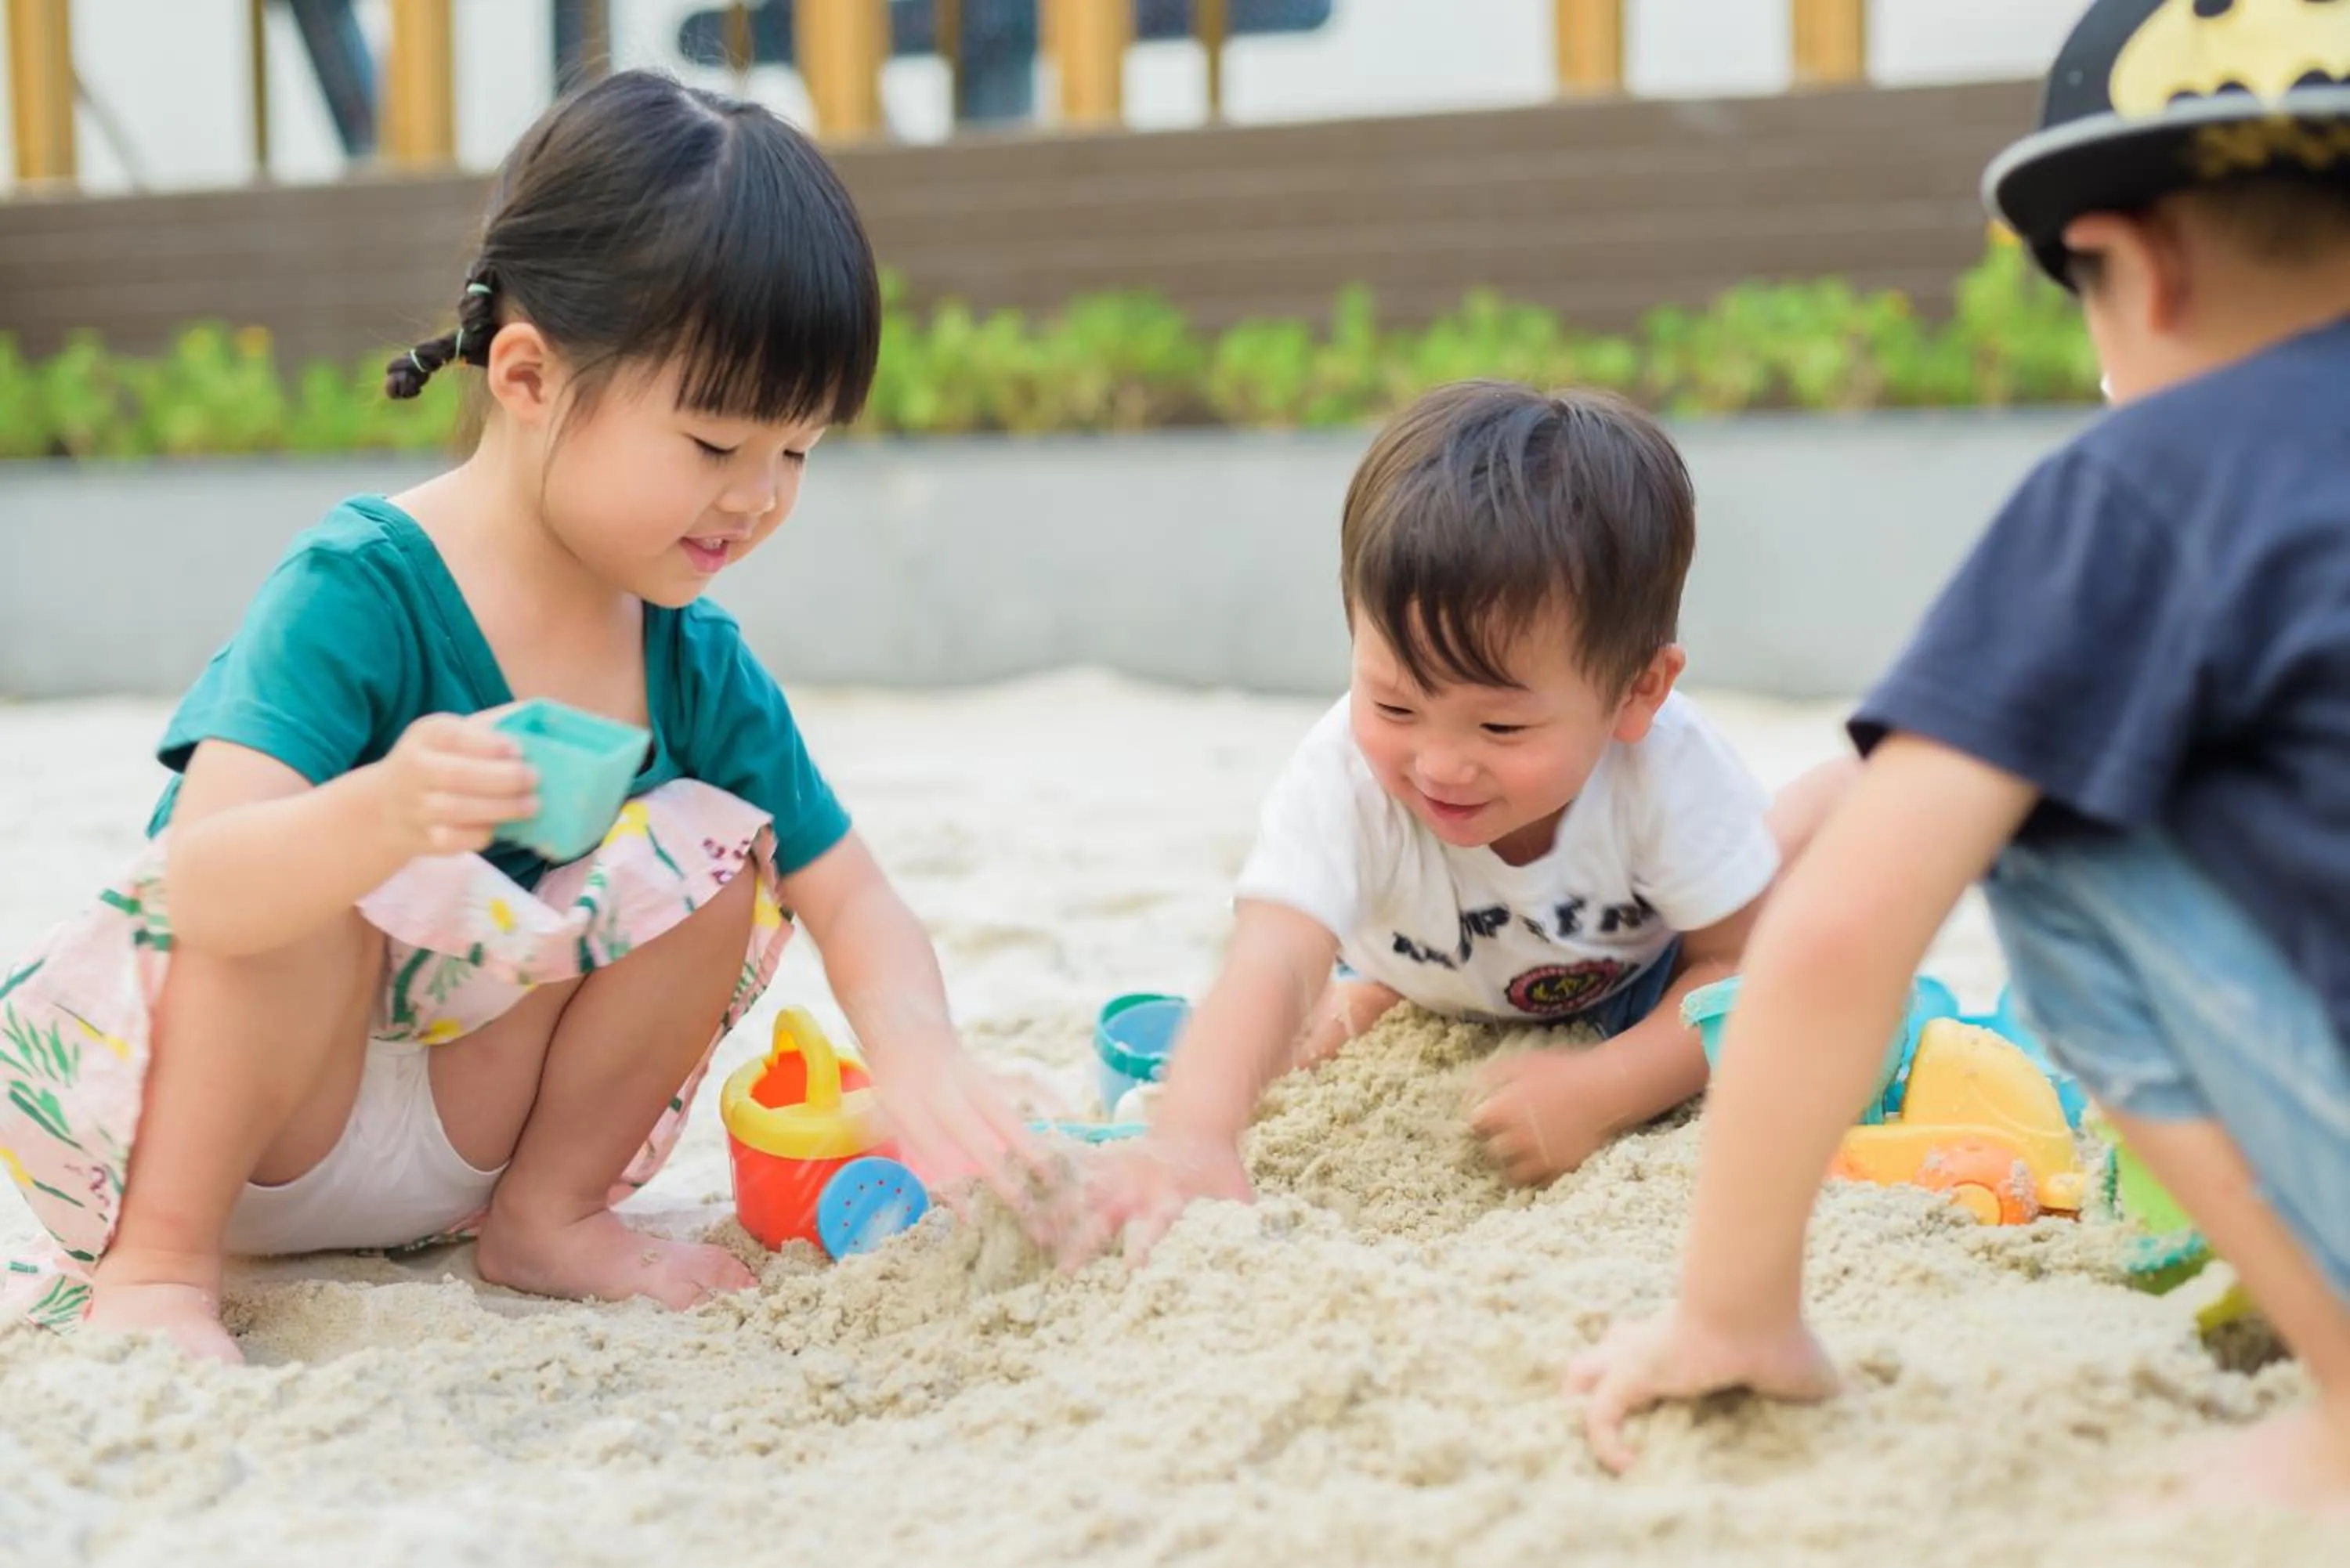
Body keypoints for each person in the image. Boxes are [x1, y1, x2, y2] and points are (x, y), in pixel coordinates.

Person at [0, 70, 1045, 1363]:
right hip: (251, 1131)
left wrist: (923, 1053)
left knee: (719, 844)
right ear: (531, 375)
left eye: (800, 452)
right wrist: (377, 813)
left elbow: (852, 892)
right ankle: (159, 1267)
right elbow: (197, 892)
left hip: (463, 1136)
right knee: (305, 872)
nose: (761, 499)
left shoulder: (689, 657)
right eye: (717, 445)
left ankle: (551, 1215)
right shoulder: (359, 588)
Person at [1566, 0, 2350, 1512]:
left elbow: (1845, 924)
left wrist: (1731, 1309)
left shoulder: (2139, 487)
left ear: (2143, 267)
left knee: (2056, 825)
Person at [1080, 381, 1853, 1253]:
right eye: (1396, 704)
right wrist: (1191, 1136)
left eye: (1500, 725)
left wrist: (1607, 1087)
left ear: (1638, 691)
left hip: (1637, 969)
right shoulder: (1343, 775)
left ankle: (1837, 789)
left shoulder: (1668, 773)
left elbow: (1735, 970)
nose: (1441, 764)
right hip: (1424, 965)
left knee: (1779, 880)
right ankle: (1378, 985)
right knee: (1308, 1003)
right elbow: (1272, 953)